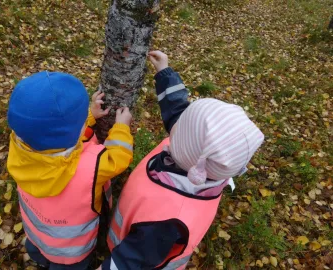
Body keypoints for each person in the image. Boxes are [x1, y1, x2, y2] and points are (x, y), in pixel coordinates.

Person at [101, 51, 265, 270]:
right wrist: (164, 72)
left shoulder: (169, 222)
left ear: (189, 155)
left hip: (133, 252)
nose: (175, 124)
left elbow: (130, 263)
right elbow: (177, 107)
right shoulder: (196, 156)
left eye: (179, 127)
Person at [6, 71, 133, 269]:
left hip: (35, 235)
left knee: (39, 255)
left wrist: (88, 116)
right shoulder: (93, 165)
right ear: (79, 130)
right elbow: (119, 158)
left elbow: (51, 134)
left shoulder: (18, 147)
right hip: (72, 252)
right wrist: (121, 128)